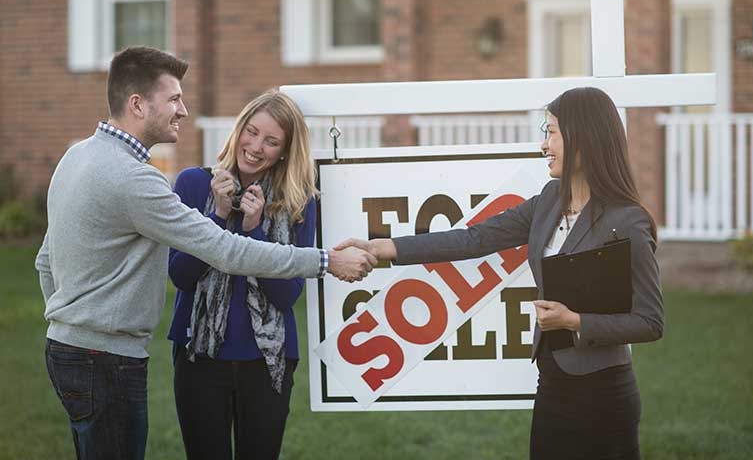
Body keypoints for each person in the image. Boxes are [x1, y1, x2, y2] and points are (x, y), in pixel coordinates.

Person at [34, 46, 375, 460]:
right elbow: (217, 255)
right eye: (174, 99)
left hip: (73, 350)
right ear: (139, 104)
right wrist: (325, 260)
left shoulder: (77, 155)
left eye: (271, 141)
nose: (183, 109)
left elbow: (45, 260)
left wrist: (68, 322)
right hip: (112, 358)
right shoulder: (142, 180)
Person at [337, 87, 664, 459]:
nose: (544, 144)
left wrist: (574, 321)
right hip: (553, 385)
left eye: (551, 132)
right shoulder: (547, 202)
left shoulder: (627, 222)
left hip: (605, 395)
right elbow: (473, 239)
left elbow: (650, 322)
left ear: (583, 137)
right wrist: (382, 248)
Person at [167, 91, 316, 459]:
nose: (255, 146)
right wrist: (216, 219)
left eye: (271, 141)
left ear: (284, 151)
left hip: (266, 360)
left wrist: (254, 230)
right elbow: (181, 277)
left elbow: (285, 298)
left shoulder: (298, 201)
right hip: (198, 356)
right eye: (251, 132)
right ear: (238, 130)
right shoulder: (192, 184)